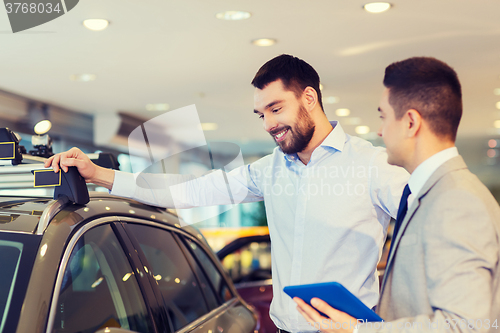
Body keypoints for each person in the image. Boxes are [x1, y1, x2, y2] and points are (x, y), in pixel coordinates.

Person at [46, 54, 409, 332]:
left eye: (276, 108)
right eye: (260, 114)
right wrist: (101, 175)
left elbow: (431, 232)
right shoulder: (271, 169)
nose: (268, 124)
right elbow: (190, 189)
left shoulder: (373, 164)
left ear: (310, 98)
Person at [294, 57, 500, 333]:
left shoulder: (456, 201)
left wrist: (358, 330)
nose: (380, 131)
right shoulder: (435, 192)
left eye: (384, 117)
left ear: (411, 122)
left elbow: (465, 325)